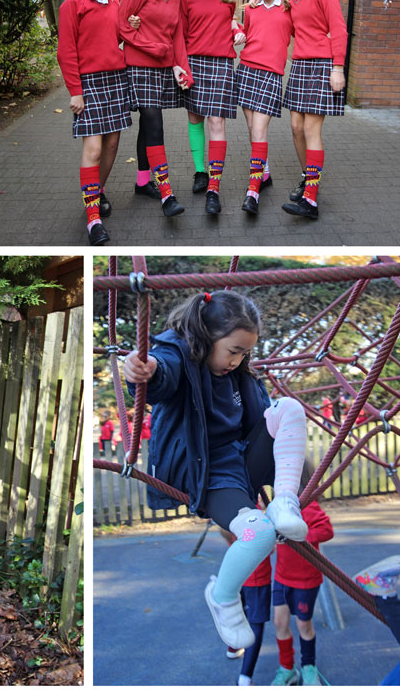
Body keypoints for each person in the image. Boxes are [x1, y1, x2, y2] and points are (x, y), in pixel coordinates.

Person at [122, 290, 309, 650]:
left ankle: (285, 501)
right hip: (206, 473)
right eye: (233, 351)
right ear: (207, 336)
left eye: (244, 353)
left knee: (290, 407)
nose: (237, 361)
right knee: (257, 533)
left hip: (241, 459)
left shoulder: (238, 375)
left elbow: (262, 418)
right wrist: (144, 370)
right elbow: (162, 373)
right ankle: (223, 597)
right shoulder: (180, 355)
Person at [56, 0, 133, 245]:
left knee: (112, 144)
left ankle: (96, 193)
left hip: (116, 80)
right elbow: (66, 51)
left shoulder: (118, 3)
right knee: (93, 151)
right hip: (88, 84)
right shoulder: (72, 5)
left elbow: (122, 37)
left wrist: (132, 28)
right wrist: (75, 90)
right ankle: (93, 220)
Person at [118, 0, 193, 217]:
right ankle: (166, 193)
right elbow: (122, 24)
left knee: (147, 127)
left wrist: (181, 67)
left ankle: (141, 182)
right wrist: (153, 47)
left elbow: (176, 36)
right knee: (155, 125)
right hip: (139, 66)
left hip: (163, 68)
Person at [278, 0, 348, 220]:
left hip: (323, 63)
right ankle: (308, 179)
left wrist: (338, 68)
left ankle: (311, 201)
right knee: (296, 127)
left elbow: (339, 28)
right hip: (300, 64)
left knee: (310, 128)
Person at [179, 0, 244, 215]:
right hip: (194, 62)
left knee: (217, 122)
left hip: (221, 64)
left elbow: (232, 23)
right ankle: (199, 172)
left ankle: (214, 188)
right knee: (195, 118)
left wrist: (238, 31)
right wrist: (182, 68)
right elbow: (178, 36)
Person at [270, 460, 334, 686]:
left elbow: (326, 530)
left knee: (303, 625)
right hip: (281, 576)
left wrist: (301, 536)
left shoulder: (308, 506)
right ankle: (287, 668)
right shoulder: (277, 506)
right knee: (279, 622)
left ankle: (308, 667)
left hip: (305, 580)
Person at [236, 0, 293, 215]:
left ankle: (253, 190)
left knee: (259, 130)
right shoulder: (251, 7)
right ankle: (264, 173)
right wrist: (237, 31)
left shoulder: (290, 8)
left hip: (271, 75)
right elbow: (246, 31)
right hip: (247, 70)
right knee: (251, 129)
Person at [220, 517, 273, 686]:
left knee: (237, 610)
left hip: (235, 572)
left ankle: (233, 647)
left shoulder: (229, 508)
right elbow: (267, 547)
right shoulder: (254, 514)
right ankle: (245, 677)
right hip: (255, 576)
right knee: (255, 624)